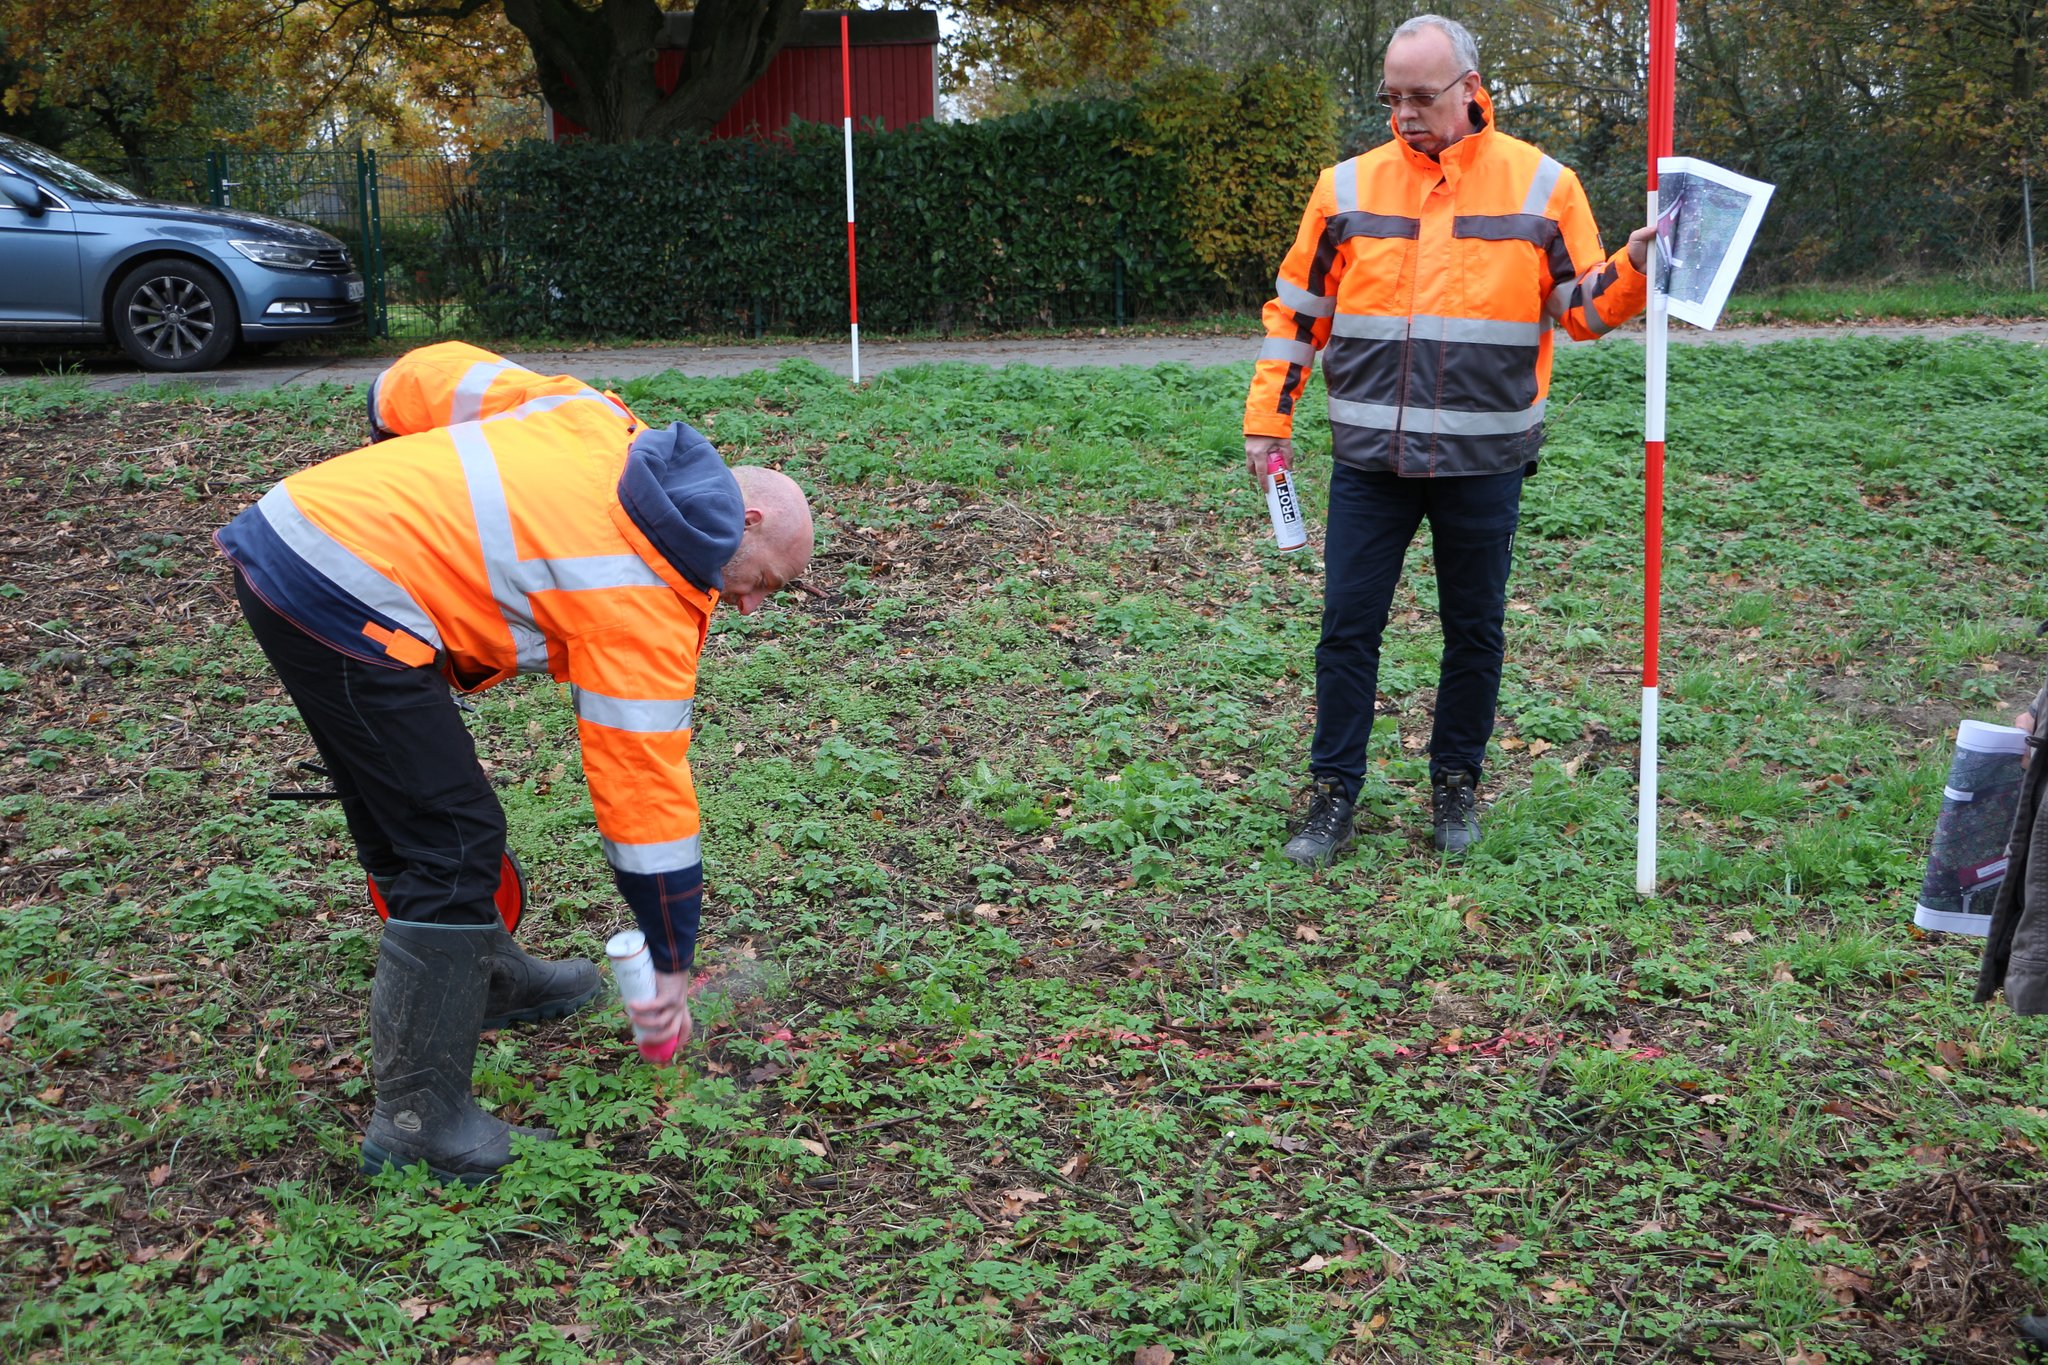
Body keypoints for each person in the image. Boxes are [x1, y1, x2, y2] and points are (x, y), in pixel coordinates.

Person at [215, 345, 814, 1184]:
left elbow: (413, 380)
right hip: (341, 592)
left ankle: (480, 978)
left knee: (410, 801)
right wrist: (671, 959)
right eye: (767, 586)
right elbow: (645, 806)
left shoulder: (596, 418)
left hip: (300, 540)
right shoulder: (644, 598)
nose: (751, 605)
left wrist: (404, 500)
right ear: (745, 522)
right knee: (453, 843)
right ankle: (419, 1123)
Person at [1245, 14, 1657, 869]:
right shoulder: (1346, 188)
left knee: (1474, 630)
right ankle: (1332, 793)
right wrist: (1267, 420)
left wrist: (1638, 267)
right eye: (1392, 95)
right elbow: (1298, 312)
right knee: (1347, 626)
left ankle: (1456, 784)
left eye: (1421, 97)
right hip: (1370, 462)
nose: (1403, 113)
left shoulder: (1544, 185)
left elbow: (1581, 310)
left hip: (1484, 464)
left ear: (1470, 90)